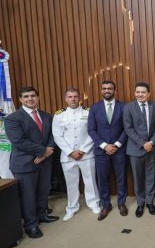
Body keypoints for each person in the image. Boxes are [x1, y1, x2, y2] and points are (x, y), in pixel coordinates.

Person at [4, 87, 58, 238]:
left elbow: (54, 136)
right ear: (20, 99)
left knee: (43, 191)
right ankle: (31, 225)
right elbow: (19, 141)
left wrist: (48, 151)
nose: (30, 99)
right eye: (26, 96)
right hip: (24, 164)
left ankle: (42, 215)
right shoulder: (12, 118)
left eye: (33, 96)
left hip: (45, 162)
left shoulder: (47, 116)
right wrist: (43, 151)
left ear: (38, 97)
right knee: (28, 196)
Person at [52, 88, 101, 221]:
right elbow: (57, 136)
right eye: (70, 97)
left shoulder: (88, 112)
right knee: (71, 183)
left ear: (80, 98)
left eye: (75, 96)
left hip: (86, 154)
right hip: (68, 156)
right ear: (65, 99)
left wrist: (83, 150)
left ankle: (93, 203)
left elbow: (93, 132)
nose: (73, 99)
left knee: (90, 181)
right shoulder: (59, 115)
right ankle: (72, 208)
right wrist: (70, 152)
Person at [88, 80, 128, 220]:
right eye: (104, 88)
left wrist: (116, 145)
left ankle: (121, 203)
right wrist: (104, 145)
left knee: (121, 177)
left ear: (114, 90)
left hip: (119, 150)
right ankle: (106, 205)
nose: (107, 91)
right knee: (102, 179)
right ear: (101, 90)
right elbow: (91, 130)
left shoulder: (123, 107)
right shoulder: (94, 108)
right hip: (101, 151)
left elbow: (126, 128)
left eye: (110, 88)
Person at [123, 82, 155, 218]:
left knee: (150, 176)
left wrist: (152, 142)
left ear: (148, 94)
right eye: (138, 92)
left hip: (151, 148)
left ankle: (150, 202)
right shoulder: (128, 107)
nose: (140, 95)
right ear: (135, 93)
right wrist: (142, 143)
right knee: (138, 178)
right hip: (135, 149)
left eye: (143, 92)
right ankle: (140, 203)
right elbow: (128, 128)